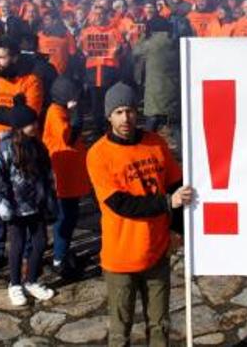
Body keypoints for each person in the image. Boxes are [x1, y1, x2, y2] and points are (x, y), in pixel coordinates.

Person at [87, 83, 194, 347]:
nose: (126, 118)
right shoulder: (98, 154)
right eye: (119, 111)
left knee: (160, 326)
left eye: (131, 110)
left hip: (157, 252)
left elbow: (176, 185)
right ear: (109, 116)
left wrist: (176, 230)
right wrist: (168, 203)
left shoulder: (155, 143)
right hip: (120, 258)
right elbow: (121, 204)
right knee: (120, 332)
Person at [0, 98, 58, 307]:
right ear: (20, 127)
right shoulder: (5, 149)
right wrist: (4, 206)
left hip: (36, 205)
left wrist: (49, 199)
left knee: (40, 242)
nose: (35, 126)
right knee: (17, 244)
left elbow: (47, 174)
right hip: (15, 208)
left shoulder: (39, 146)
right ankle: (15, 283)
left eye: (35, 122)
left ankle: (31, 280)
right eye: (31, 123)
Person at [0, 38, 45, 273]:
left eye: (2, 57)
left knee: (26, 206)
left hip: (22, 152)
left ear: (15, 57)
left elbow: (28, 116)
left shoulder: (31, 81)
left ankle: (29, 253)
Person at [41, 75, 89, 278]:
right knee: (66, 218)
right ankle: (59, 258)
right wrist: (76, 113)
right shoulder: (56, 113)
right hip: (63, 178)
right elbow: (68, 137)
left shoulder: (58, 110)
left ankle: (62, 252)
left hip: (69, 175)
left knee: (70, 216)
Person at [131, 17, 179, 136]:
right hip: (173, 87)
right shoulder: (174, 41)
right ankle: (183, 151)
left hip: (155, 89)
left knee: (152, 119)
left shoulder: (151, 43)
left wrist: (142, 36)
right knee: (175, 124)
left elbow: (135, 51)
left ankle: (147, 145)